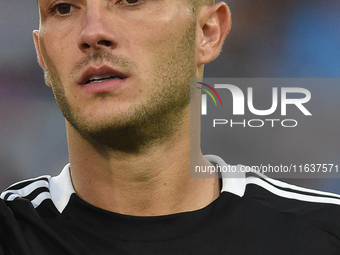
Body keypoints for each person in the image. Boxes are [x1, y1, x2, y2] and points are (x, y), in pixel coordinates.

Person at [1, 0, 340, 254]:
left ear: (207, 32)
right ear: (42, 55)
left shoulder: (323, 234)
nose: (92, 33)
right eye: (63, 7)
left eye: (130, 0)